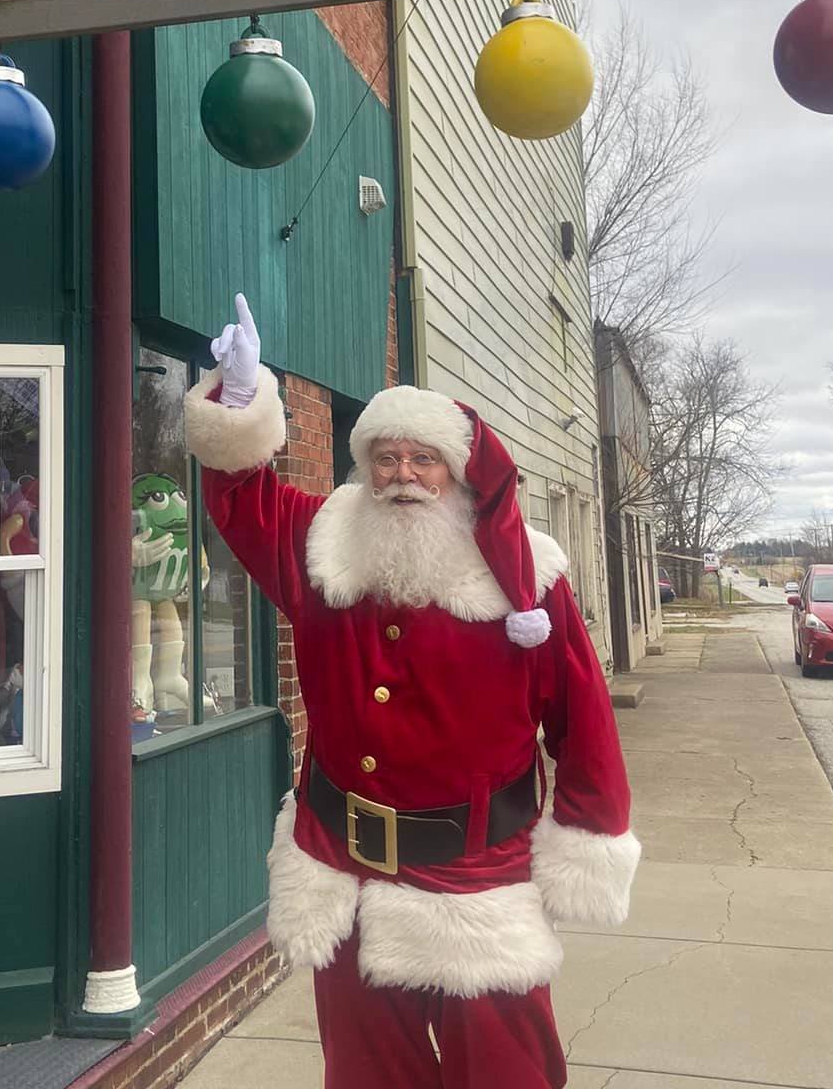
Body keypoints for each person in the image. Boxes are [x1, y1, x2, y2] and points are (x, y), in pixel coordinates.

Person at [184, 295, 638, 1089]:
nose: (402, 476)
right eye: (385, 459)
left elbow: (582, 717)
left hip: (476, 874)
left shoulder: (527, 576)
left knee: (505, 1071)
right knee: (365, 1073)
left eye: (422, 460)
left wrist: (589, 831)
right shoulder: (323, 543)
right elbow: (241, 499)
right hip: (342, 863)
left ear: (456, 473)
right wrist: (238, 396)